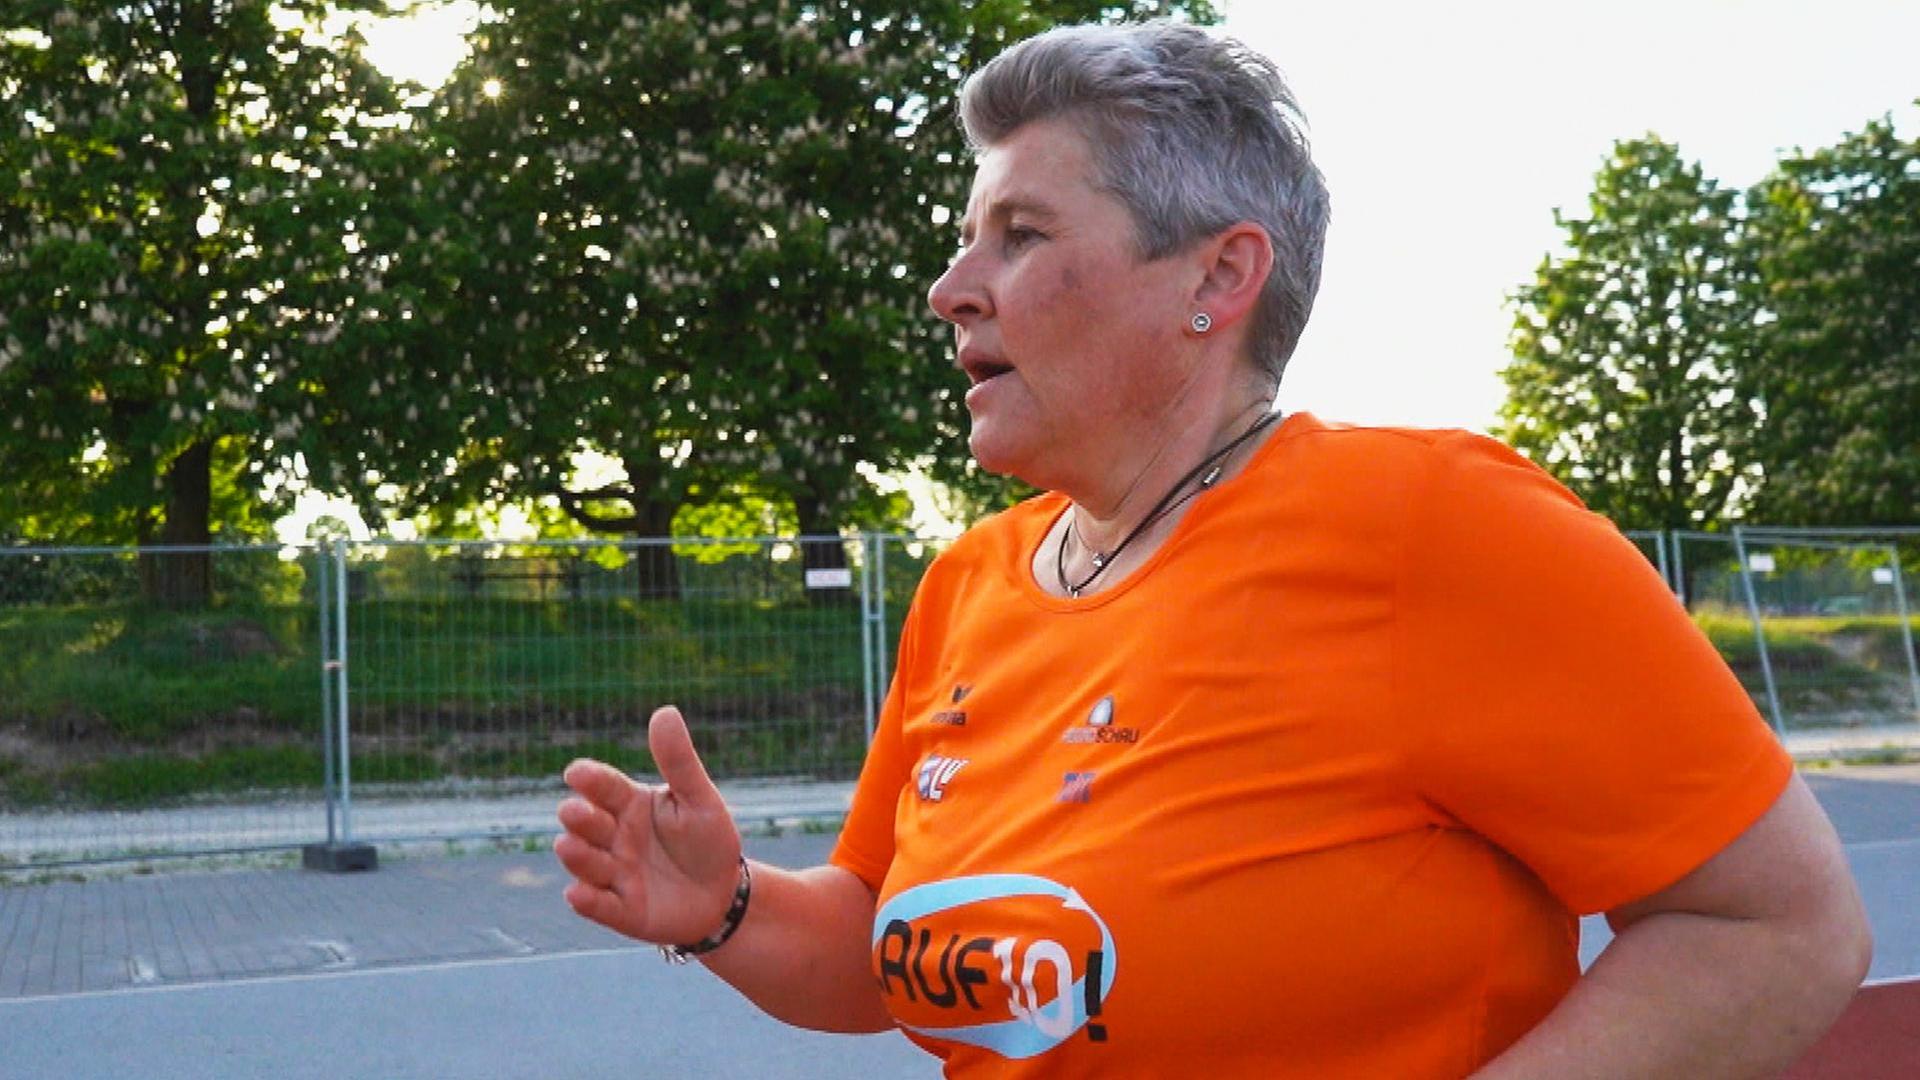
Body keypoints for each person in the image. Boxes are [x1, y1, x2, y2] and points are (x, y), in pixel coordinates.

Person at [554, 20, 1871, 1077]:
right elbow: (894, 951)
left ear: (1216, 280)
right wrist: (728, 907)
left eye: (1022, 237)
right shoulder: (968, 585)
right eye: (966, 243)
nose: (951, 290)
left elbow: (1779, 928)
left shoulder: (1431, 525)